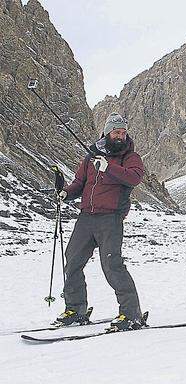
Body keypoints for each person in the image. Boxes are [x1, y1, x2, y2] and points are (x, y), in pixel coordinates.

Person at [54, 112, 145, 331]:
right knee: (72, 261)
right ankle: (76, 310)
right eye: (116, 132)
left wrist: (108, 167)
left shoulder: (129, 157)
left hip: (111, 219)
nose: (120, 136)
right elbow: (79, 183)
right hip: (86, 218)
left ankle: (131, 314)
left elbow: (134, 178)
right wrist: (66, 193)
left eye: (123, 132)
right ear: (107, 133)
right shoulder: (90, 158)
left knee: (112, 265)